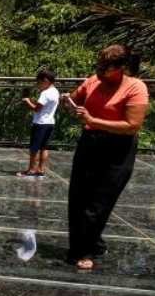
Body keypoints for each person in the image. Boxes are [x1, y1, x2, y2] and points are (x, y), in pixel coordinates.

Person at [61, 45, 149, 271]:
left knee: (100, 201)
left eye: (105, 68)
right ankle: (87, 244)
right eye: (98, 65)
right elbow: (75, 101)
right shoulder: (93, 81)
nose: (99, 71)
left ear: (121, 68)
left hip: (118, 148)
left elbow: (132, 126)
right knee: (79, 197)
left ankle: (84, 250)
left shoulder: (135, 88)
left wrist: (93, 120)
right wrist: (69, 103)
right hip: (90, 143)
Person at [18, 67, 60, 178]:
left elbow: (36, 109)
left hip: (40, 123)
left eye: (39, 82)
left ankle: (31, 170)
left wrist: (27, 101)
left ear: (45, 80)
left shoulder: (45, 93)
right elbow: (42, 106)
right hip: (50, 122)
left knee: (34, 148)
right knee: (44, 147)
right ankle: (40, 169)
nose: (38, 85)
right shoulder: (55, 91)